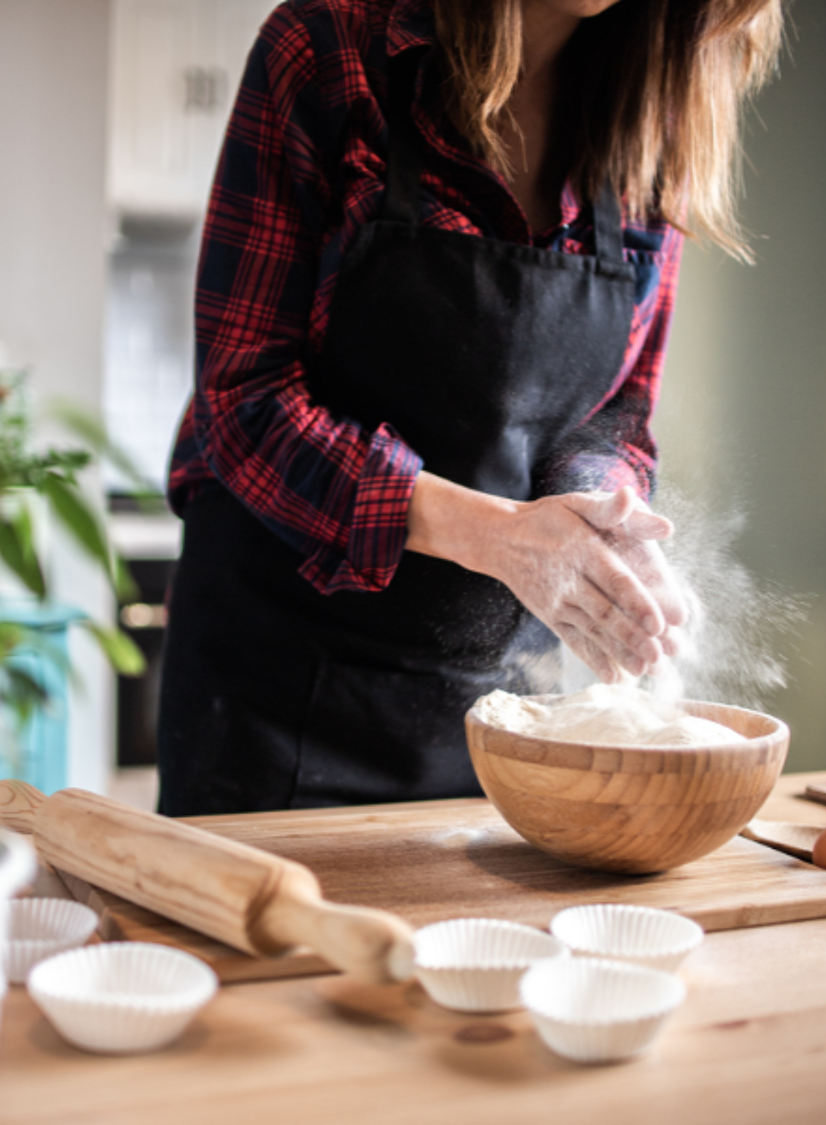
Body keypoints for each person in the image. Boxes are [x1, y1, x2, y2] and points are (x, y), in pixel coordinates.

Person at [157, 0, 783, 815]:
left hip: (500, 717)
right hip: (275, 700)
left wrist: (601, 518)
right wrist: (504, 538)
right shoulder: (331, 50)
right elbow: (244, 404)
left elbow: (617, 413)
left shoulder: (652, 115)